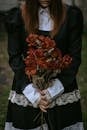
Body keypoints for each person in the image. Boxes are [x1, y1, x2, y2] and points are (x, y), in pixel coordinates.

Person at [5, 0, 84, 130]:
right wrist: (33, 94)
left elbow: (74, 57)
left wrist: (52, 91)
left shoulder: (71, 15)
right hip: (27, 86)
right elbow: (15, 57)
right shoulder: (18, 16)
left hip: (62, 86)